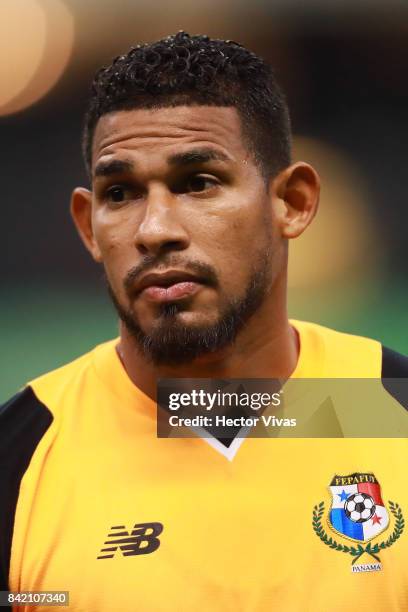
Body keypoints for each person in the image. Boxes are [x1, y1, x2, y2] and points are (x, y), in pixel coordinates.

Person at [1, 32, 407, 611]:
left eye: (198, 183)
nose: (155, 229)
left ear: (291, 201)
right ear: (89, 227)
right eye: (121, 193)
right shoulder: (21, 459)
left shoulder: (389, 408)